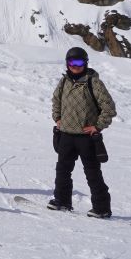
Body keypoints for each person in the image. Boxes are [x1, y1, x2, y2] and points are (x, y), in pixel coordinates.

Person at [49, 46, 116, 218]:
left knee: (92, 173)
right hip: (66, 135)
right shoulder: (64, 82)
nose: (75, 66)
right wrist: (57, 118)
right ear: (67, 63)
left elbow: (109, 108)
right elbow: (56, 100)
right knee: (62, 170)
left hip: (87, 138)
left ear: (85, 63)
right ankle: (62, 202)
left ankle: (102, 209)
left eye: (79, 62)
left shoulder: (93, 82)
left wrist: (98, 126)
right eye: (72, 62)